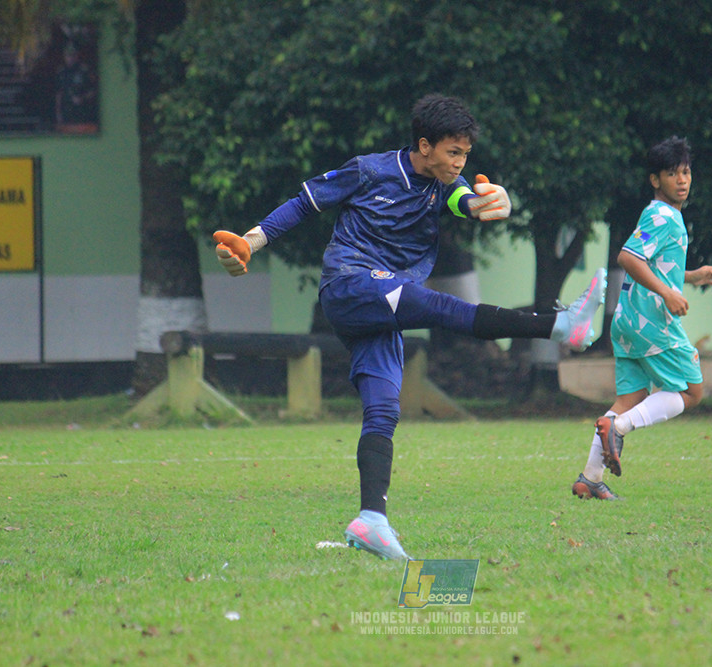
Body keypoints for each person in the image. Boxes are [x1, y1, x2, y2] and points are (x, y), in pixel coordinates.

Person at [213, 94, 606, 560]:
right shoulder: (370, 170)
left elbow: (468, 202)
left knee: (383, 410)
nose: (460, 163)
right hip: (350, 286)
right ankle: (560, 326)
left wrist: (492, 202)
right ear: (424, 146)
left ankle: (371, 520)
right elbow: (304, 204)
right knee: (438, 306)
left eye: (465, 154)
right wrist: (250, 243)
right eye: (452, 153)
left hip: (382, 307)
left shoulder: (444, 186)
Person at [570, 136, 712, 502]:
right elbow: (628, 258)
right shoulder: (662, 215)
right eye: (673, 174)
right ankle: (617, 429)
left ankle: (590, 478)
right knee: (691, 391)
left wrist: (690, 276)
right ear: (656, 180)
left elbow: (653, 264)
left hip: (627, 322)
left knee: (631, 396)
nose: (682, 180)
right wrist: (669, 294)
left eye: (686, 172)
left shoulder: (659, 214)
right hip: (651, 321)